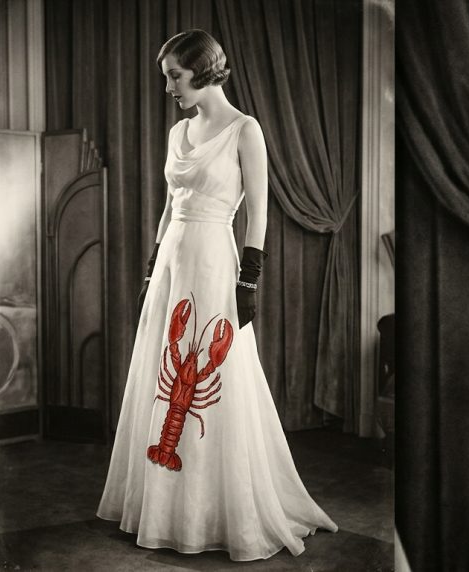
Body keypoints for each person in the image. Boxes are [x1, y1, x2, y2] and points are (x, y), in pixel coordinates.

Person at [96, 29, 338, 561]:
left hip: (213, 260)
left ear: (202, 72)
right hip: (173, 264)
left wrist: (248, 281)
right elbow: (167, 205)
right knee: (161, 369)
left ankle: (213, 512)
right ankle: (160, 508)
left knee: (218, 375)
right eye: (166, 79)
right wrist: (150, 269)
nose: (169, 88)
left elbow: (259, 212)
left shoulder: (244, 130)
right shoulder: (177, 131)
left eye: (174, 77)